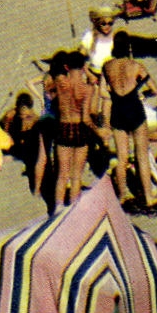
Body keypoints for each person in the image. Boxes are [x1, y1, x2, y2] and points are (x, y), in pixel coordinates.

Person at [101, 32, 157, 209]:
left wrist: (114, 95)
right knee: (141, 154)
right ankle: (148, 196)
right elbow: (154, 89)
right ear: (129, 48)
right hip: (134, 107)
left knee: (122, 157)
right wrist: (142, 94)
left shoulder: (107, 67)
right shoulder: (135, 66)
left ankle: (123, 195)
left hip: (118, 109)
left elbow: (103, 92)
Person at [50, 50, 99, 211]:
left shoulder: (60, 82)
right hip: (80, 129)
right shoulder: (87, 89)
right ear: (83, 66)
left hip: (63, 126)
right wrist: (96, 130)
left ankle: (57, 209)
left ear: (66, 66)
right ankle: (73, 209)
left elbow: (53, 74)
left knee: (62, 175)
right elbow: (86, 118)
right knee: (76, 175)